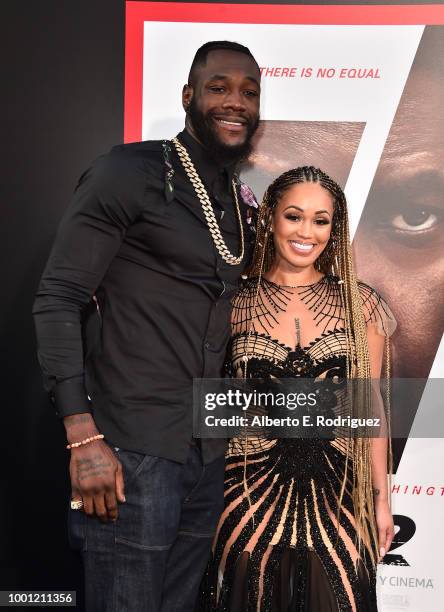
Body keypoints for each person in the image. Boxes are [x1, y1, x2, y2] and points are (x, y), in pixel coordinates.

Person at [32, 40, 261, 611]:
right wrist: (82, 437)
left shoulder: (237, 200)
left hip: (207, 456)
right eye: (219, 87)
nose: (236, 102)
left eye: (250, 92)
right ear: (188, 95)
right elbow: (59, 296)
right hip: (128, 451)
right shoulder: (128, 171)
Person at [199, 166, 396, 611]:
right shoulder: (234, 301)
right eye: (294, 216)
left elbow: (370, 410)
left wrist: (381, 500)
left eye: (321, 220)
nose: (307, 231)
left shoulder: (360, 305)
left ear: (334, 228)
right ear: (270, 218)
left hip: (341, 495)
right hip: (245, 494)